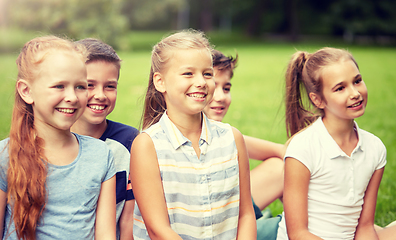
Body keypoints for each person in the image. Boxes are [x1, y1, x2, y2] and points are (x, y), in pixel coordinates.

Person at [130, 29, 256, 240]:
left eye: (207, 74)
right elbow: (157, 229)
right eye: (188, 73)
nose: (201, 82)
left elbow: (245, 215)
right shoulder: (147, 145)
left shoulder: (232, 138)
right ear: (160, 82)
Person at [277, 47, 396, 239]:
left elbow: (365, 227)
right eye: (340, 88)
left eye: (357, 81)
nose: (355, 93)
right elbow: (298, 234)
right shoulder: (302, 148)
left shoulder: (375, 149)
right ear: (318, 100)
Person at [0, 36, 116, 239]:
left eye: (80, 86)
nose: (72, 97)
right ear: (27, 91)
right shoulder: (5, 156)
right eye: (59, 86)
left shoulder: (101, 155)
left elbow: (105, 234)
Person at [203, 49, 284, 240]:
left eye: (226, 88)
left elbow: (282, 151)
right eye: (213, 87)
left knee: (282, 166)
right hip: (216, 226)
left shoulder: (225, 135)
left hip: (231, 212)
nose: (221, 97)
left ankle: (298, 221)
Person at [71, 38, 139, 240]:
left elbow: (129, 221)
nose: (100, 95)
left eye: (110, 86)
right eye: (89, 85)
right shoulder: (52, 141)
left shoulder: (130, 141)